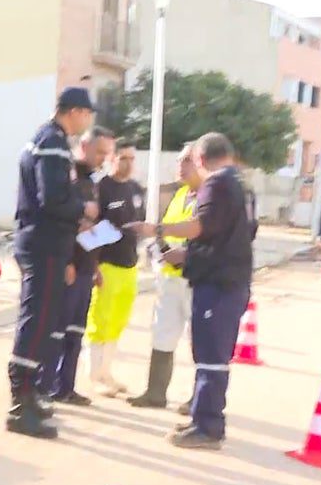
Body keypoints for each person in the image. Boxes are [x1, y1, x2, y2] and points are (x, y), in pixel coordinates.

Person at [128, 133, 254, 449]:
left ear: (200, 159)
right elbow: (233, 235)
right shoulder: (243, 186)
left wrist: (157, 229)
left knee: (211, 356)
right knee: (210, 355)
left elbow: (202, 226)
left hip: (218, 283)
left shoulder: (217, 184)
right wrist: (189, 253)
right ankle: (202, 418)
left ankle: (208, 427)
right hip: (227, 279)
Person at [8, 87, 98, 438]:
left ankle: (31, 395)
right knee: (37, 322)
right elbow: (53, 198)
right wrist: (83, 208)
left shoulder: (51, 140)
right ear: (74, 111)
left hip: (47, 244)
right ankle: (21, 401)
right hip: (43, 244)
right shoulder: (52, 142)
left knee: (42, 323)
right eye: (87, 114)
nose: (88, 121)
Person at [38, 126, 114, 406]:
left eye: (107, 153)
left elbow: (90, 226)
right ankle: (46, 386)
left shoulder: (93, 182)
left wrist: (95, 267)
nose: (103, 158)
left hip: (85, 268)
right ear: (84, 147)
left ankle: (66, 387)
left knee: (75, 332)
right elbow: (63, 224)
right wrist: (67, 261)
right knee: (58, 331)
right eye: (99, 152)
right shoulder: (69, 179)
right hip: (68, 266)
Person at [128, 143, 202, 410]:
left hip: (196, 279)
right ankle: (155, 393)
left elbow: (206, 235)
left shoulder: (210, 197)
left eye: (187, 161)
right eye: (180, 161)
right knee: (162, 334)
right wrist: (159, 247)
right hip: (169, 277)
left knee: (201, 340)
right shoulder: (180, 194)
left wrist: (186, 255)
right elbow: (166, 231)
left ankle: (199, 399)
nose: (180, 167)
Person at [85, 139, 144, 397]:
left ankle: (107, 372)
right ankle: (94, 375)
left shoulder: (136, 188)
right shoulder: (101, 188)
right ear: (112, 159)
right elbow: (89, 230)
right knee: (100, 320)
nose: (128, 164)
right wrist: (94, 267)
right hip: (106, 265)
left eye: (132, 158)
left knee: (118, 321)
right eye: (123, 158)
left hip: (130, 265)